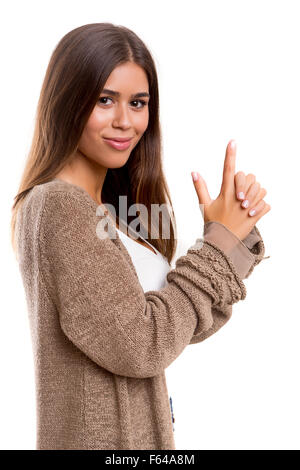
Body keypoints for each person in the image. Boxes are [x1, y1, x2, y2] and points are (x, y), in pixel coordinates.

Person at [10, 23, 271, 450]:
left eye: (138, 103)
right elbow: (139, 345)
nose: (125, 121)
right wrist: (216, 249)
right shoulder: (59, 204)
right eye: (104, 100)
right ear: (67, 102)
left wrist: (227, 239)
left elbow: (171, 330)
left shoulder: (111, 214)